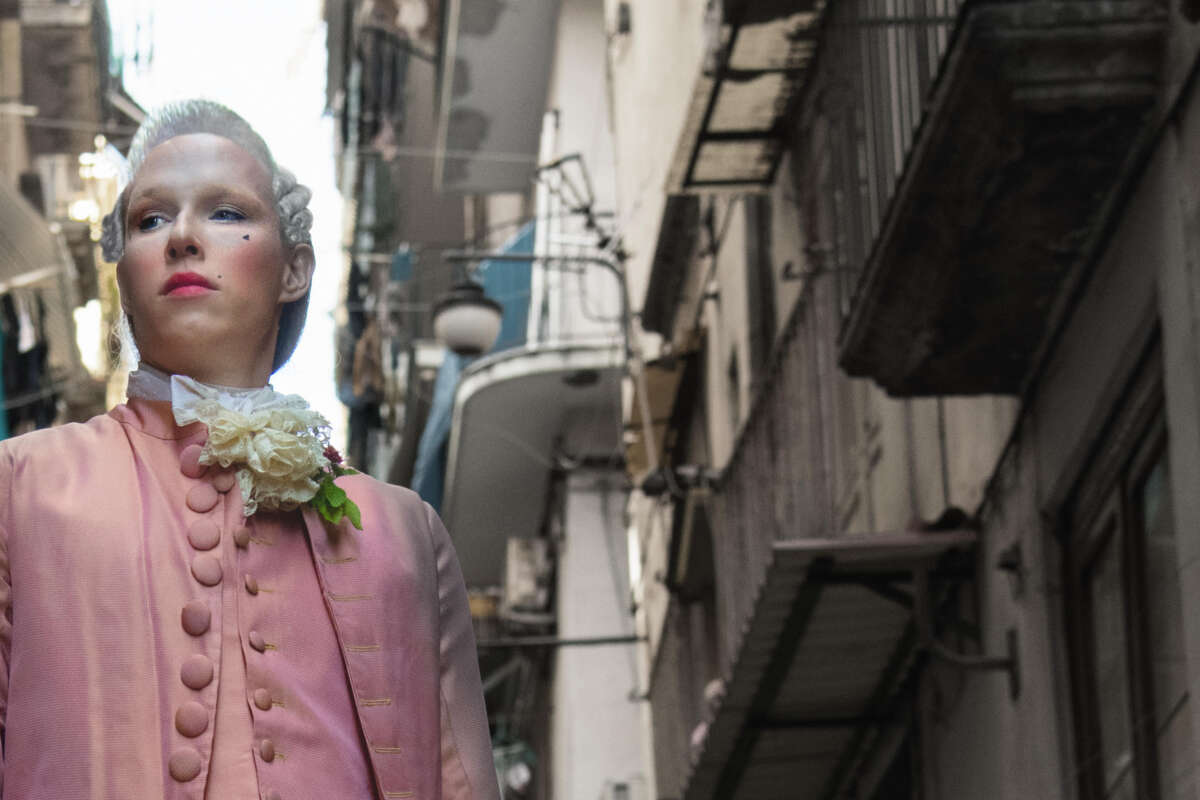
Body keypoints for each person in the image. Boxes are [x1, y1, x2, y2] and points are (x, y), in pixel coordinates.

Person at [0, 100, 500, 800]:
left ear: (294, 271)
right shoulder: (23, 489)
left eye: (227, 212)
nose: (182, 237)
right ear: (124, 278)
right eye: (150, 220)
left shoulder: (404, 529)